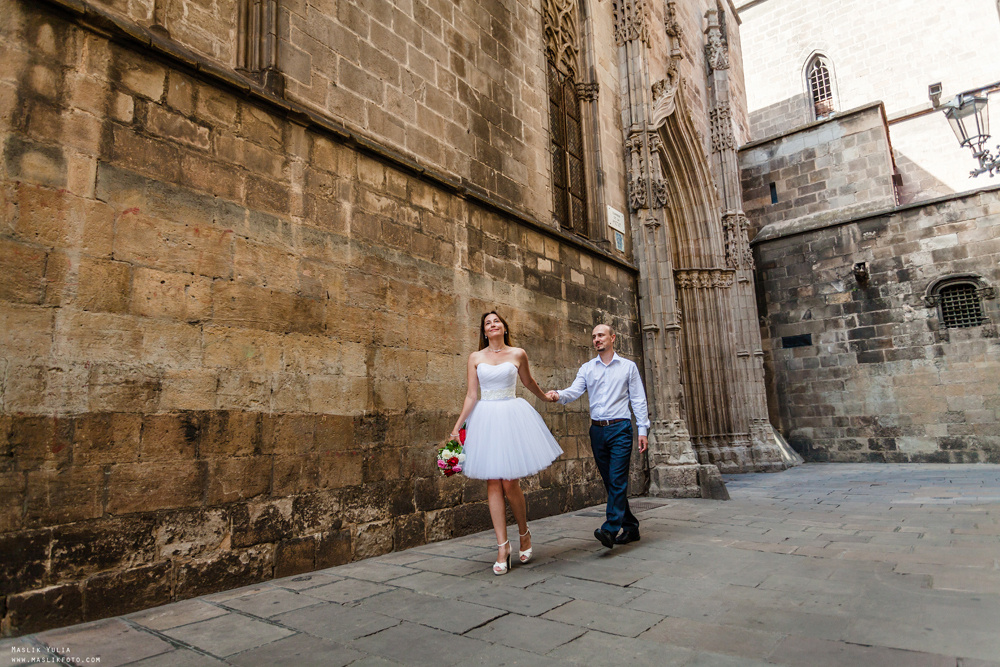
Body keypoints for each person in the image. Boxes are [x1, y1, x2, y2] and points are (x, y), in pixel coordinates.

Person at [451, 311, 563, 575]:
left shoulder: (518, 354)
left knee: (510, 482)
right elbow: (471, 395)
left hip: (511, 415)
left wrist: (546, 398)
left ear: (503, 327)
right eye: (487, 323)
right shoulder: (475, 358)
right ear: (484, 331)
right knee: (493, 481)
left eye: (496, 321)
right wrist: (457, 427)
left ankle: (524, 532)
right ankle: (503, 546)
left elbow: (528, 382)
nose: (492, 325)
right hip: (486, 418)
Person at [546, 324, 649, 549]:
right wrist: (557, 395)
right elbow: (574, 390)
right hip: (597, 431)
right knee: (611, 482)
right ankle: (631, 527)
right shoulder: (587, 368)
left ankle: (610, 529)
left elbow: (638, 399)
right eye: (594, 337)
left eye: (601, 335)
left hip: (620, 428)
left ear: (613, 338)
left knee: (617, 479)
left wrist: (643, 430)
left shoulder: (628, 367)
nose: (596, 339)